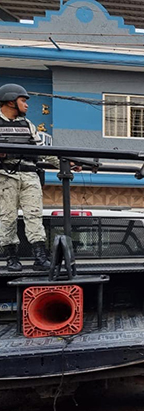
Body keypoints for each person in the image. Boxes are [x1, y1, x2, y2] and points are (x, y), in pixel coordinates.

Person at [0, 83, 79, 272]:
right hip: (4, 175)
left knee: (34, 215)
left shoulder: (28, 125)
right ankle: (11, 258)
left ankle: (40, 257)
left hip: (29, 175)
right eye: (23, 101)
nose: (26, 105)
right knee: (6, 217)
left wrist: (66, 164)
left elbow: (43, 151)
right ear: (10, 102)